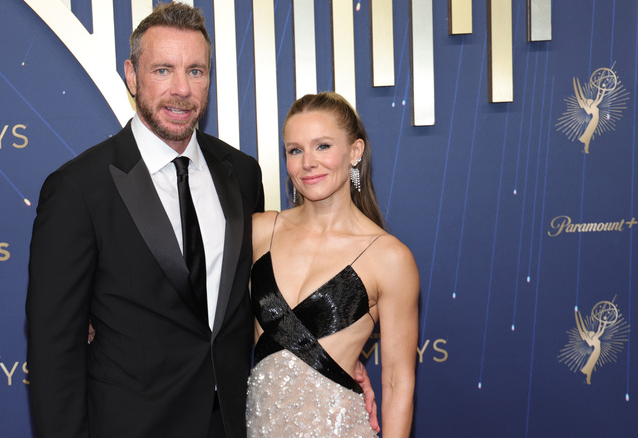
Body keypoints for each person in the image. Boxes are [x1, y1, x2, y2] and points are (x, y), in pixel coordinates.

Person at [25, 3, 263, 437]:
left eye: (196, 71)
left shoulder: (242, 174)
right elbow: (54, 348)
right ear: (132, 76)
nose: (181, 89)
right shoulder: (79, 188)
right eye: (162, 70)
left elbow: (259, 300)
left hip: (229, 422)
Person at [246, 92, 419, 437]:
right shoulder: (260, 230)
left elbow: (398, 382)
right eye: (295, 150)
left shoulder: (389, 258)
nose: (307, 162)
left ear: (355, 151)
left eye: (322, 146)